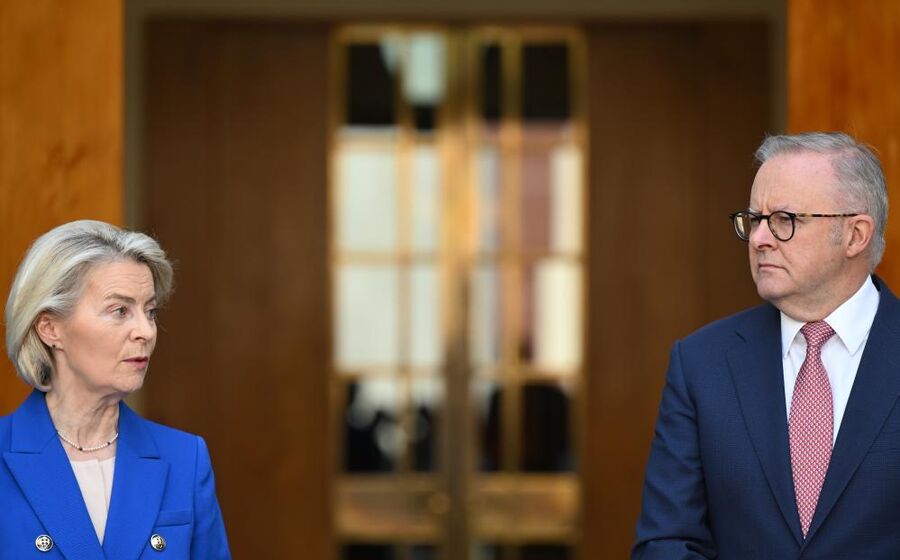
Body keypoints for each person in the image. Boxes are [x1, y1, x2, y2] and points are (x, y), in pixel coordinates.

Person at [633, 132, 900, 558]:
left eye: (784, 220)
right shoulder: (702, 364)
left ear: (855, 235)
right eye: (754, 219)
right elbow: (667, 542)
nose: (759, 239)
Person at [0, 220, 231, 559]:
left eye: (149, 311)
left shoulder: (185, 458)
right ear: (50, 328)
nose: (146, 332)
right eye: (120, 310)